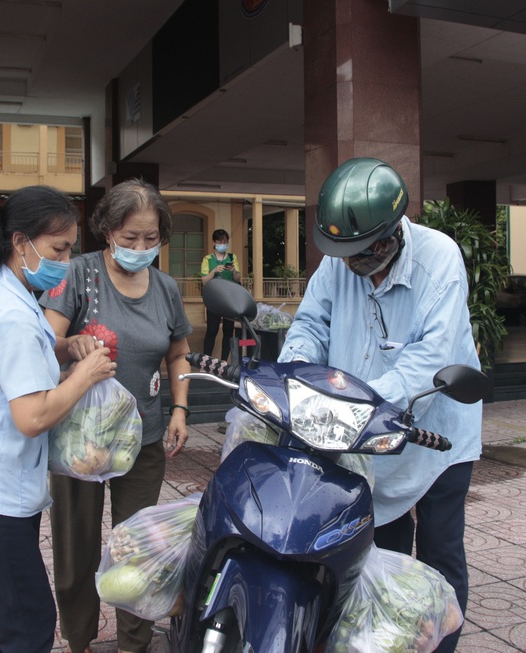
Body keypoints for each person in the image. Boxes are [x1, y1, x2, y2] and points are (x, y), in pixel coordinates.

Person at [277, 158, 482, 653]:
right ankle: (384, 640)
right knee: (377, 553)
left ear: (389, 240)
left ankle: (440, 643)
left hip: (436, 435)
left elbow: (428, 361)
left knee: (438, 553)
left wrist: (352, 405)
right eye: (340, 253)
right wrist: (297, 374)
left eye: (358, 253)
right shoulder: (338, 260)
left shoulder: (440, 261)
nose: (347, 264)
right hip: (363, 435)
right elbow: (310, 324)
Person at [0, 185, 116, 653]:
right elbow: (33, 416)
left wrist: (63, 346)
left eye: (70, 248)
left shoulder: (14, 297)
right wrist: (86, 373)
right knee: (29, 622)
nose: (66, 259)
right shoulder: (10, 313)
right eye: (58, 248)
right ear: (21, 243)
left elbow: (23, 358)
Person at [40, 178, 192, 653]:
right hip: (80, 442)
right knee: (76, 548)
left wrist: (180, 410)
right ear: (107, 231)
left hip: (143, 439)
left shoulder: (165, 288)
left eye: (151, 239)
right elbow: (45, 340)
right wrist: (72, 345)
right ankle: (79, 640)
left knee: (140, 550)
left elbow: (178, 355)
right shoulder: (78, 274)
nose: (140, 248)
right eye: (129, 238)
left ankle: (134, 644)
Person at [200, 228, 240, 360]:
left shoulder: (232, 257)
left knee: (228, 330)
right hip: (214, 299)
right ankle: (206, 361)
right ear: (214, 242)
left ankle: (223, 361)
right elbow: (204, 280)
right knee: (212, 329)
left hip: (229, 299)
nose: (222, 244)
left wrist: (234, 270)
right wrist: (214, 271)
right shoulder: (207, 259)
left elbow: (238, 279)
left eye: (224, 242)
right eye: (219, 241)